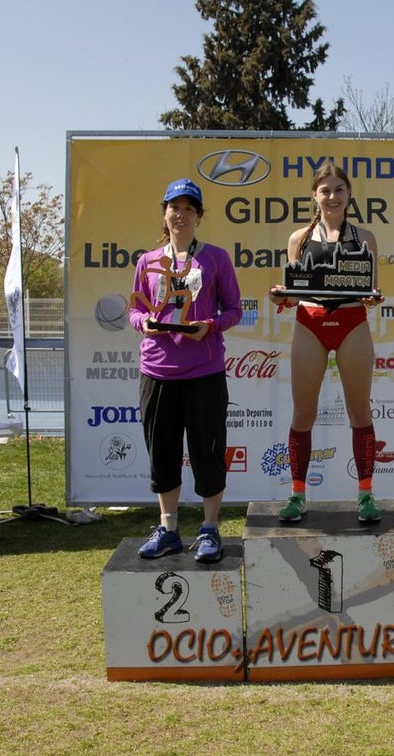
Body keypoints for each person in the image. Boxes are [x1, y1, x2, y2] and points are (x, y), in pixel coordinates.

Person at [129, 178, 242, 562]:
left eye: (189, 209)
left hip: (203, 372)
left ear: (199, 217)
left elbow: (234, 310)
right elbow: (135, 309)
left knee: (208, 453)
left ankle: (209, 529)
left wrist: (208, 327)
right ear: (165, 213)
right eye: (174, 208)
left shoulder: (215, 259)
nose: (181, 215)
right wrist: (142, 322)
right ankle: (169, 529)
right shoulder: (148, 261)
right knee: (162, 454)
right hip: (157, 372)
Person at [269, 162, 384, 524]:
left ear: (349, 195)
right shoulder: (298, 239)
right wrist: (280, 296)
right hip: (310, 323)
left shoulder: (364, 238)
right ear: (314, 196)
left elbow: (371, 290)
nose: (332, 196)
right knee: (303, 414)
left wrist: (372, 298)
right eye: (325, 190)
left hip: (351, 322)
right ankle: (297, 494)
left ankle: (365, 494)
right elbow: (293, 290)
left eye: (339, 189)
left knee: (360, 412)